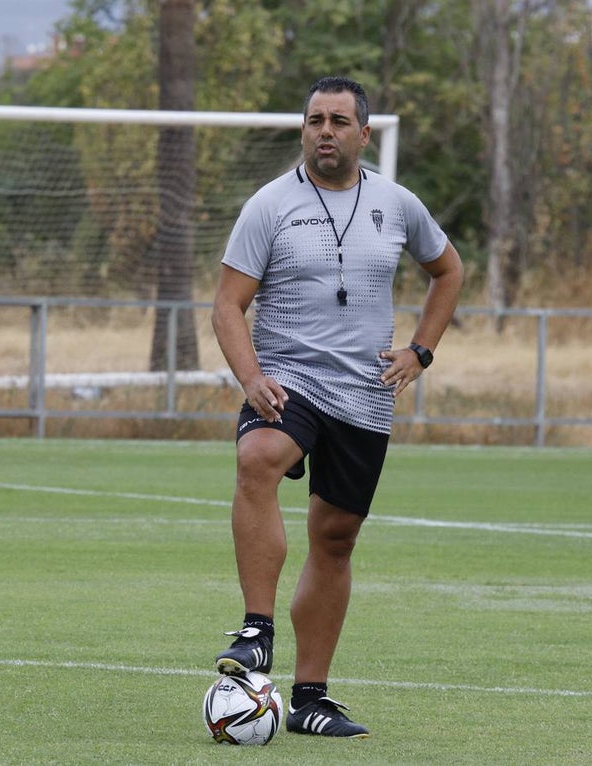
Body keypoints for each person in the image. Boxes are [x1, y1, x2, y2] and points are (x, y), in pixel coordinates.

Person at [210, 75, 464, 739]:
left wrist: (421, 351)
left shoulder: (398, 204)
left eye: (338, 121)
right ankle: (256, 630)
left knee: (336, 537)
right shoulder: (269, 205)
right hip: (289, 378)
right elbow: (227, 305)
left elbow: (449, 271)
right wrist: (251, 377)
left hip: (365, 393)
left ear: (364, 134)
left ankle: (310, 700)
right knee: (258, 457)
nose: (325, 131)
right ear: (303, 130)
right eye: (315, 120)